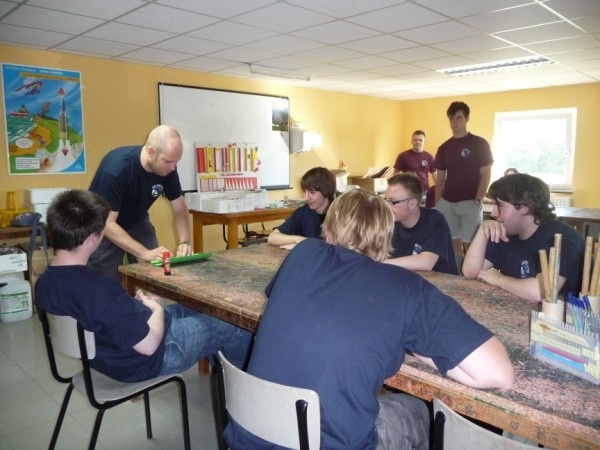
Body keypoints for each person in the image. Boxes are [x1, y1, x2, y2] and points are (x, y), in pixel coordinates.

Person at [225, 188, 514, 450]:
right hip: (325, 444)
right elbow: (497, 373)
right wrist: (416, 344)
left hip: (250, 433)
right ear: (386, 235)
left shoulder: (303, 253)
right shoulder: (406, 287)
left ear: (329, 229)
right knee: (421, 410)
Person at [34, 189, 252, 382]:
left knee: (209, 310)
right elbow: (148, 345)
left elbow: (104, 316)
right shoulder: (99, 289)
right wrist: (156, 309)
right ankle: (243, 394)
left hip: (108, 357)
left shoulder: (44, 284)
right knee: (235, 322)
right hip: (153, 356)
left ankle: (222, 369)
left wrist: (137, 307)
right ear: (92, 238)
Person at [88, 125, 192, 283]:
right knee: (106, 284)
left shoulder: (168, 168)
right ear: (151, 152)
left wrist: (185, 241)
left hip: (136, 219)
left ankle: (147, 299)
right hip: (102, 224)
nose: (173, 167)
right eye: (168, 161)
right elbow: (107, 223)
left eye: (176, 162)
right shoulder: (117, 169)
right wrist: (143, 253)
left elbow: (180, 208)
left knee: (155, 274)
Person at [462, 173, 585, 303]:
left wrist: (499, 279)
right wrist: (482, 230)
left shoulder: (561, 239)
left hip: (565, 314)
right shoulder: (506, 232)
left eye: (500, 205)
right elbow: (470, 272)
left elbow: (541, 292)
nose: (493, 213)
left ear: (525, 208)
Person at [434, 101, 494, 266]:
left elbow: (486, 174)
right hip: (448, 203)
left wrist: (479, 198)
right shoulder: (444, 148)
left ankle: (473, 275)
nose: (455, 122)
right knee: (453, 243)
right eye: (452, 118)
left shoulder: (479, 143)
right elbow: (440, 179)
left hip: (470, 202)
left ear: (467, 119)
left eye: (459, 117)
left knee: (472, 244)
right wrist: (438, 202)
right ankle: (458, 274)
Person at [384, 173, 458, 274]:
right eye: (385, 200)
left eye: (392, 202)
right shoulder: (390, 223)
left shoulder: (435, 220)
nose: (386, 206)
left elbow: (426, 262)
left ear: (412, 204)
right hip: (408, 279)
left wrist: (382, 263)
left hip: (441, 282)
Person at [267, 167, 336, 249]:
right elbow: (272, 238)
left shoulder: (340, 214)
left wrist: (307, 244)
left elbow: (336, 247)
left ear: (326, 191)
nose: (306, 198)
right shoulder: (303, 212)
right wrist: (297, 239)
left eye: (312, 192)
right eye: (305, 192)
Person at [393, 130, 436, 197]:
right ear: (411, 141)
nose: (417, 142)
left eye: (420, 140)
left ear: (424, 141)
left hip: (424, 192)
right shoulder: (403, 156)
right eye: (415, 140)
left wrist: (440, 189)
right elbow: (396, 174)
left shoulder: (430, 157)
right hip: (407, 192)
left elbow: (435, 175)